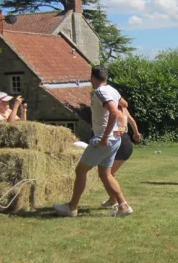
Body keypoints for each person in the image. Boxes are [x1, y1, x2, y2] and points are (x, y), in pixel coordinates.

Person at [54, 65, 133, 218]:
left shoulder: (100, 91)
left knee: (81, 170)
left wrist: (105, 136)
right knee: (105, 174)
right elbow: (124, 105)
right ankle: (123, 206)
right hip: (114, 140)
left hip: (104, 140)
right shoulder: (112, 90)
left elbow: (114, 111)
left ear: (93, 78)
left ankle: (72, 207)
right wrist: (121, 126)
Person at [101, 102, 142, 210]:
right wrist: (136, 133)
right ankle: (112, 199)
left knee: (107, 174)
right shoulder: (123, 109)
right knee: (108, 174)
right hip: (125, 142)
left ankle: (117, 202)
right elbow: (132, 121)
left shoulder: (111, 108)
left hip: (120, 142)